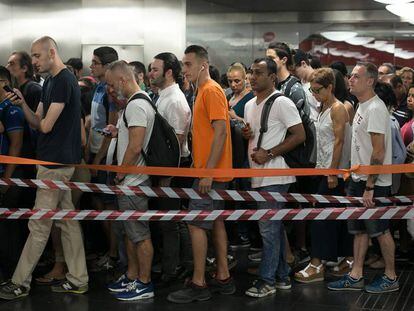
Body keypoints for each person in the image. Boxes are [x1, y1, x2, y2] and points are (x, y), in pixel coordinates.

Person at [0, 36, 88, 299]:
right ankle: (78, 278)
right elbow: (37, 121)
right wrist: (22, 104)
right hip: (51, 161)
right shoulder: (50, 81)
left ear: (51, 52)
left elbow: (46, 126)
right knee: (67, 224)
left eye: (37, 56)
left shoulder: (62, 81)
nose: (34, 61)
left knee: (40, 225)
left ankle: (20, 281)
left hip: (55, 163)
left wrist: (33, 115)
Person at [168, 45, 234, 304]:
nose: (184, 69)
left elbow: (221, 132)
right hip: (210, 171)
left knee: (196, 224)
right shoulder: (202, 92)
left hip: (210, 173)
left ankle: (199, 282)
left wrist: (207, 173)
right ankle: (223, 276)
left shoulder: (211, 90)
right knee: (215, 222)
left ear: (202, 65)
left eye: (187, 64)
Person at [327, 62, 398, 294]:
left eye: (356, 76)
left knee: (380, 230)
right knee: (359, 230)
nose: (351, 79)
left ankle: (391, 277)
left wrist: (370, 186)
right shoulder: (361, 105)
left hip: (372, 184)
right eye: (350, 76)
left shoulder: (376, 109)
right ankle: (355, 274)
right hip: (358, 180)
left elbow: (378, 152)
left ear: (370, 81)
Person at [243, 57, 305, 298]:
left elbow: (299, 135)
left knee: (268, 229)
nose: (252, 77)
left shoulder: (282, 102)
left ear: (272, 77)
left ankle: (266, 280)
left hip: (275, 175)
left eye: (258, 73)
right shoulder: (250, 104)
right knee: (273, 228)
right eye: (251, 72)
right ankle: (281, 276)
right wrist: (246, 133)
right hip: (258, 175)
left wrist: (269, 153)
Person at [294, 68, 353, 283]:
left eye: (318, 90)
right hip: (322, 167)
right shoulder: (323, 107)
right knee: (334, 216)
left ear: (330, 87)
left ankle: (317, 264)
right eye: (312, 90)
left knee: (321, 218)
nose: (314, 94)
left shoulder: (338, 108)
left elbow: (339, 141)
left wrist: (333, 171)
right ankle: (347, 259)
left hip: (333, 171)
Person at [105, 60, 155, 301]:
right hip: (130, 181)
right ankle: (133, 275)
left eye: (112, 85)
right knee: (131, 232)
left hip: (134, 181)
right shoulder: (137, 103)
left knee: (140, 234)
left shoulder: (136, 104)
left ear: (123, 80)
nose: (111, 90)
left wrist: (121, 172)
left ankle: (144, 283)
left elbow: (136, 146)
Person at [148, 52, 193, 285]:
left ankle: (173, 269)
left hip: (172, 169)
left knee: (171, 222)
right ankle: (175, 264)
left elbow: (177, 143)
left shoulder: (174, 99)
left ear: (168, 72)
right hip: (162, 168)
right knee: (169, 221)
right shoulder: (161, 95)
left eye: (155, 69)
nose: (150, 73)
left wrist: (167, 175)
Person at [87, 46, 120, 271]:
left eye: (95, 62)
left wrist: (99, 159)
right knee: (98, 205)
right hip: (93, 150)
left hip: (105, 154)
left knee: (108, 208)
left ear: (107, 65)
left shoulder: (111, 92)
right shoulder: (98, 87)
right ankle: (109, 249)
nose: (91, 66)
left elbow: (111, 127)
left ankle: (114, 254)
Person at [293, 49, 320, 121]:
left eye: (295, 70)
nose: (293, 73)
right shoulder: (300, 82)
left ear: (303, 64)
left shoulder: (319, 80)